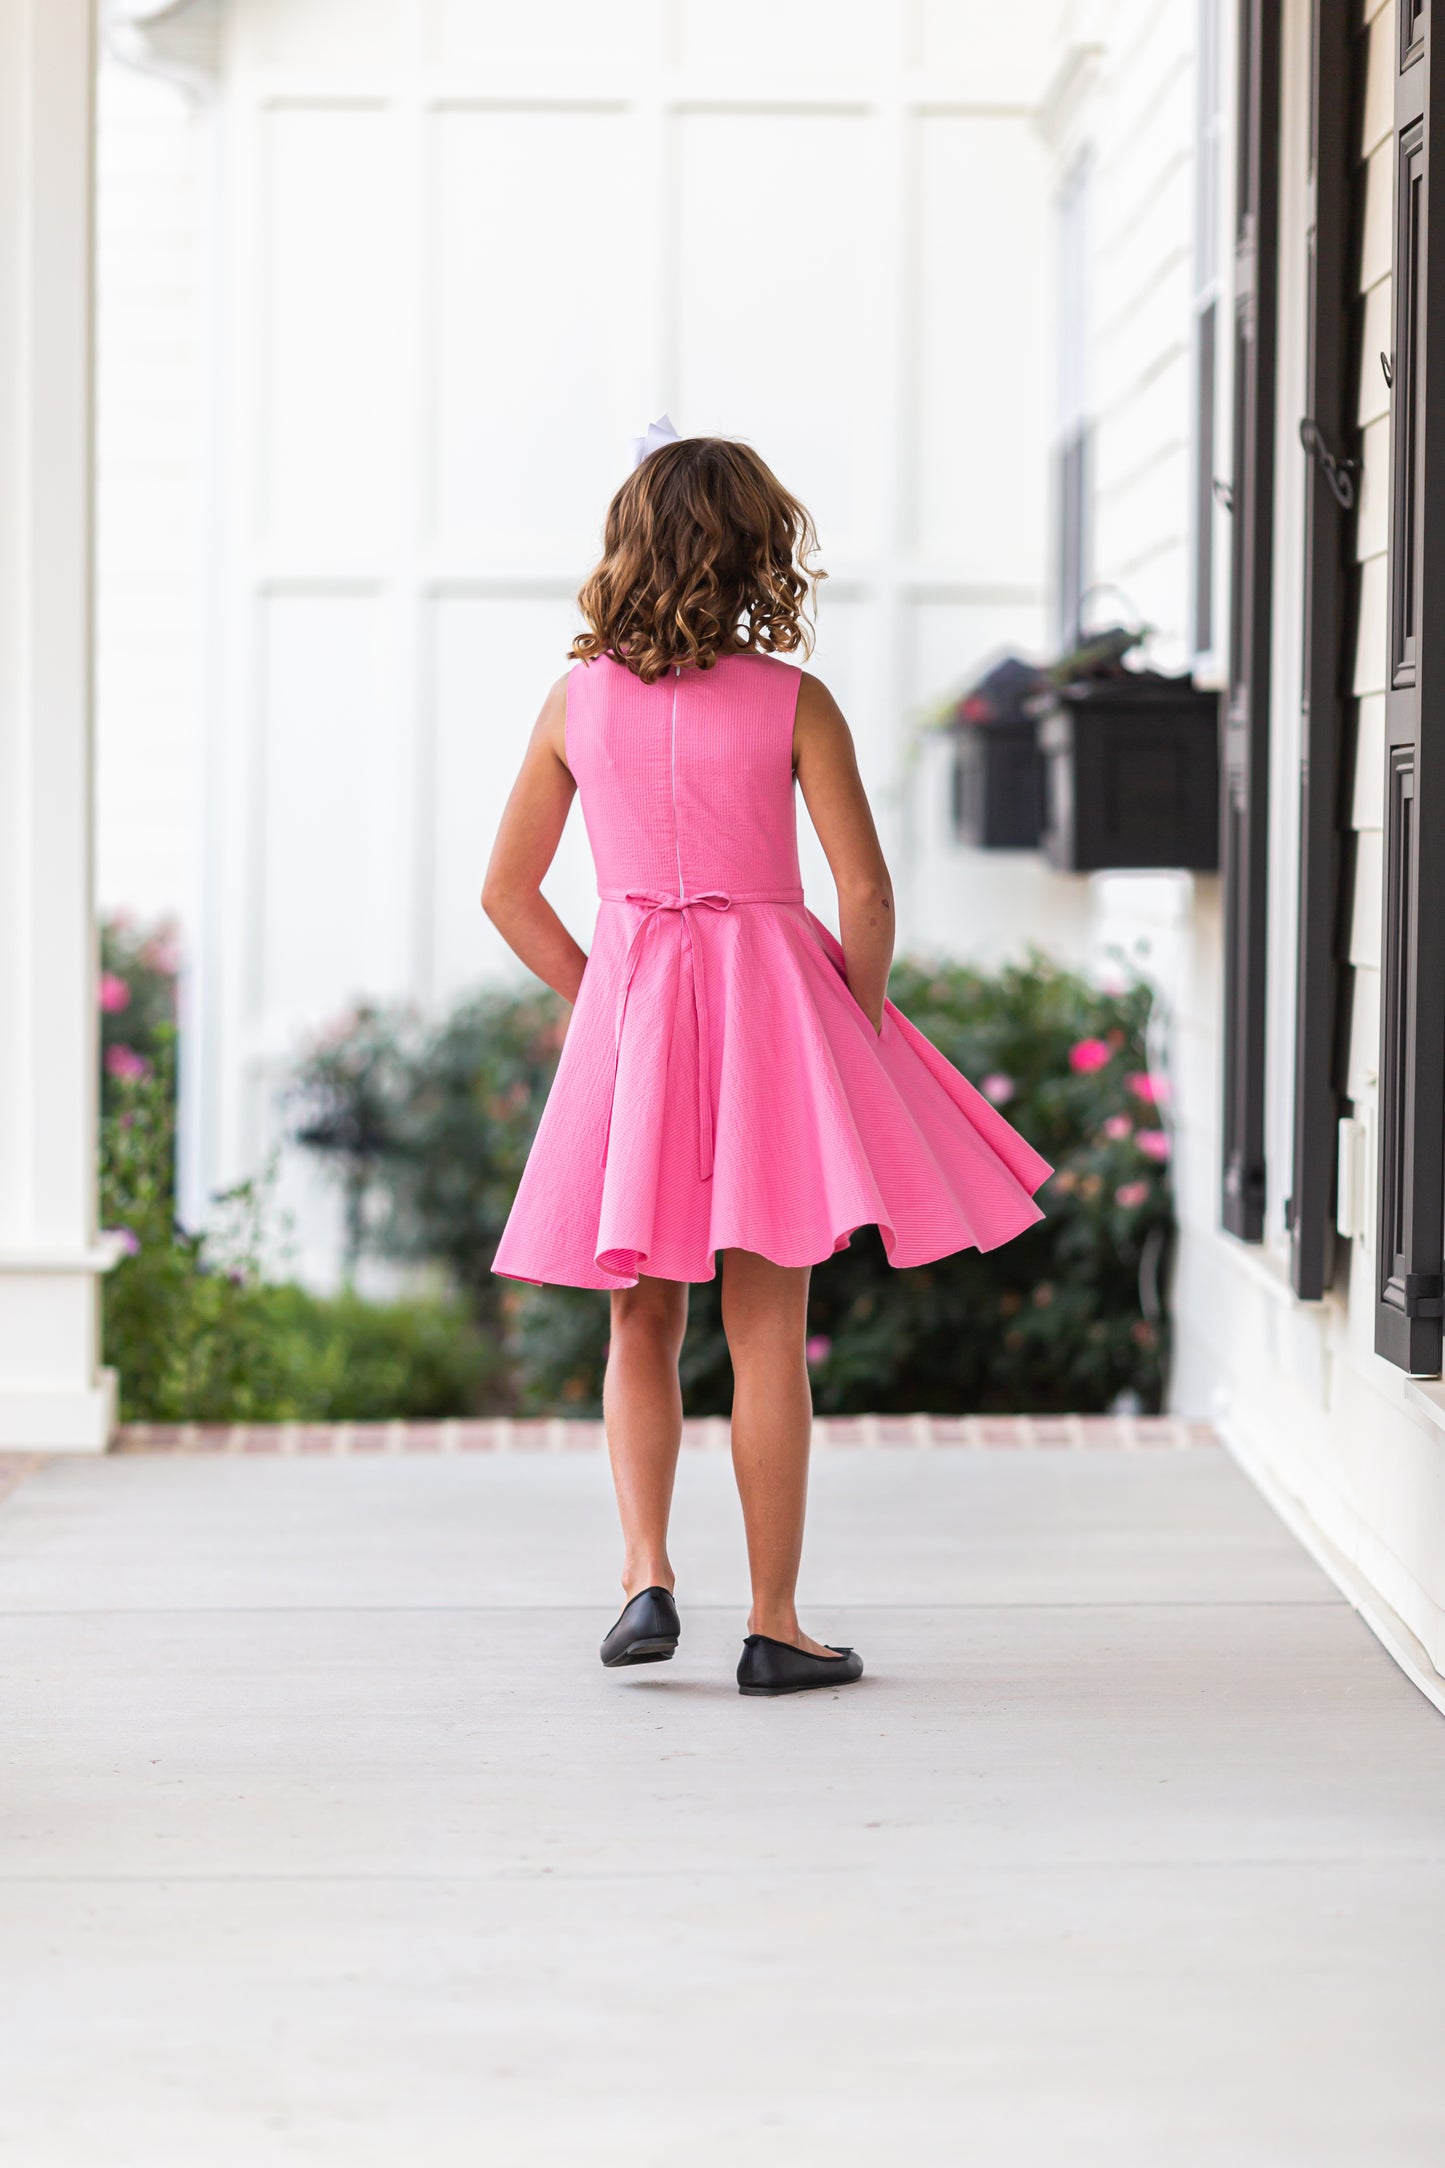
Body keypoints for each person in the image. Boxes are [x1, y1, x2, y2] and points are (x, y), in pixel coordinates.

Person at [482, 427, 1051, 1697]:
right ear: (755, 555)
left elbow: (506, 893)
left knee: (638, 1309)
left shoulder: (572, 703)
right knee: (765, 1330)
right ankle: (776, 1621)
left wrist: (606, 1000)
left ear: (627, 545)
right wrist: (844, 1028)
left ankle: (643, 1574)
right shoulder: (795, 701)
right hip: (767, 1022)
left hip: (640, 1017)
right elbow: (868, 892)